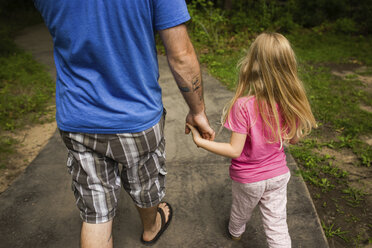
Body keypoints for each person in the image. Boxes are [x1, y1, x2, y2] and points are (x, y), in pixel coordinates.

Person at [33, 0, 215, 247]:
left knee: (96, 215)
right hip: (137, 115)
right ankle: (151, 228)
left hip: (78, 117)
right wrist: (197, 110)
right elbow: (181, 54)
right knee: (145, 184)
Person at [187, 32, 317, 248]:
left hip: (249, 179)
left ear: (254, 62)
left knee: (240, 210)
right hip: (278, 175)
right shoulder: (291, 102)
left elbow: (234, 150)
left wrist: (200, 141)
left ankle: (235, 233)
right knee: (277, 225)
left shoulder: (244, 106)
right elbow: (293, 140)